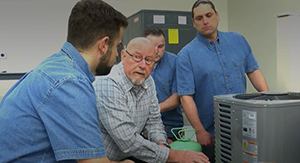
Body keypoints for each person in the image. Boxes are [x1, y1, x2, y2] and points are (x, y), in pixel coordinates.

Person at [0, 0, 132, 163]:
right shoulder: (70, 82)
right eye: (118, 46)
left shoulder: (55, 67)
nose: (117, 54)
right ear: (104, 45)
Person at [176, 0, 269, 162]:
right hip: (212, 134)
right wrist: (199, 131)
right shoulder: (186, 55)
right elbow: (186, 97)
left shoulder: (238, 40)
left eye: (209, 15)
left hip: (244, 127)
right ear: (193, 23)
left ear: (217, 16)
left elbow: (253, 71)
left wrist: (268, 101)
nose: (205, 21)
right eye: (199, 18)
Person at [93, 37, 209, 163]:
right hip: (106, 160)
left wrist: (162, 144)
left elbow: (153, 120)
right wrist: (172, 155)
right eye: (137, 57)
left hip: (130, 155)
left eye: (148, 60)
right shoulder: (108, 85)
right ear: (123, 56)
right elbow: (128, 141)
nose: (142, 65)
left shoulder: (148, 81)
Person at [143, 26, 183, 143]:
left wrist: (153, 110)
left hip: (170, 127)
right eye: (152, 46)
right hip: (142, 126)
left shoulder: (175, 62)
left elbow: (178, 97)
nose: (156, 51)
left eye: (160, 47)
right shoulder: (137, 63)